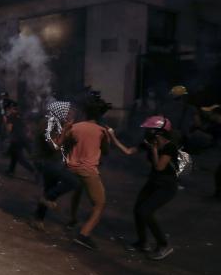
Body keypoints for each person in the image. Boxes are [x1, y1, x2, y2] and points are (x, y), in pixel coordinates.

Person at [108, 116, 180, 260]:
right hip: (153, 182)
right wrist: (112, 136)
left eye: (150, 129)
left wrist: (154, 150)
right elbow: (128, 151)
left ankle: (164, 245)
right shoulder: (149, 142)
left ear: (159, 132)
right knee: (138, 210)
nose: (147, 132)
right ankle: (143, 243)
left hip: (167, 186)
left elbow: (159, 167)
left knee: (145, 211)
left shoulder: (169, 147)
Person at [63, 97, 112, 250]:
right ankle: (84, 235)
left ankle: (72, 219)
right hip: (88, 170)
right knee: (99, 204)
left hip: (71, 167)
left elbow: (65, 144)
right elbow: (106, 151)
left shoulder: (75, 127)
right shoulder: (101, 131)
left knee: (77, 192)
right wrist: (108, 138)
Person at [29, 101, 81, 231]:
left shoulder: (58, 124)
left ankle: (37, 219)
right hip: (44, 162)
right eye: (68, 112)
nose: (71, 115)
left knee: (49, 189)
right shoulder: (47, 123)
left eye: (72, 113)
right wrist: (64, 131)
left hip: (52, 162)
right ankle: (46, 199)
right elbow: (55, 146)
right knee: (73, 182)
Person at [4, 101, 37, 178]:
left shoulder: (10, 116)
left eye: (7, 109)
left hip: (17, 139)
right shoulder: (21, 115)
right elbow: (28, 126)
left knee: (20, 158)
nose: (6, 111)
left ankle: (34, 171)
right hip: (26, 138)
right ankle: (11, 170)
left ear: (10, 109)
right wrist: (29, 134)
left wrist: (5, 121)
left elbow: (9, 129)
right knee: (15, 154)